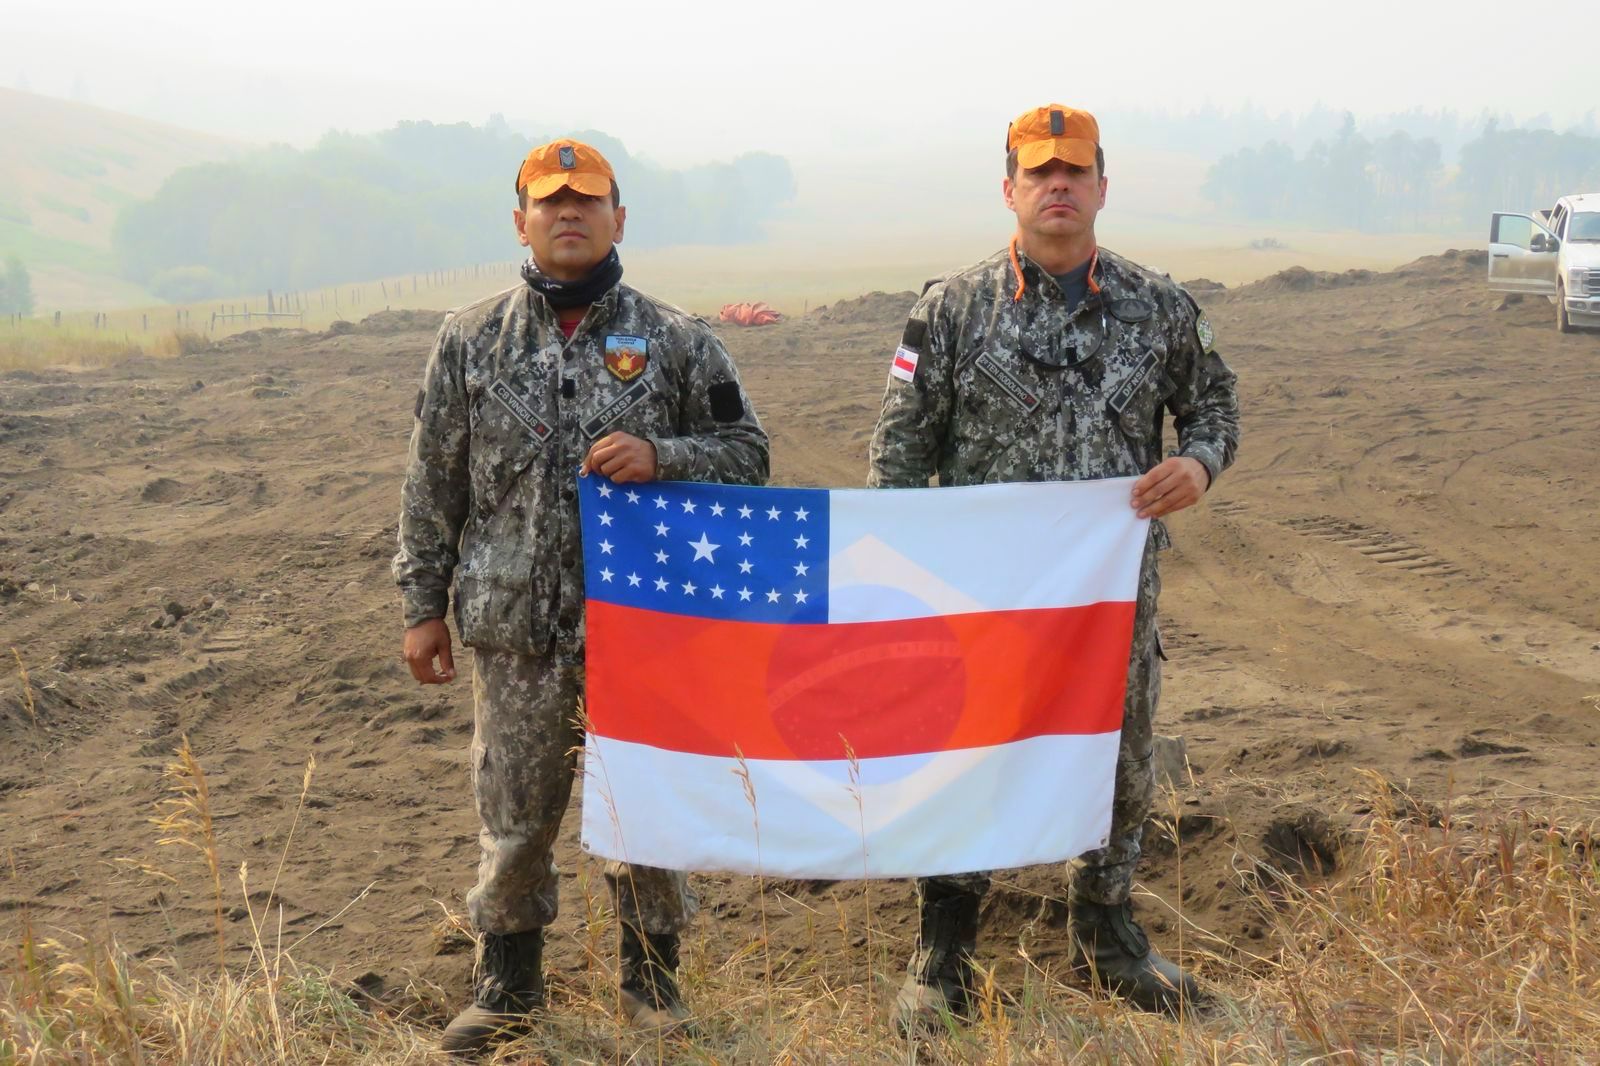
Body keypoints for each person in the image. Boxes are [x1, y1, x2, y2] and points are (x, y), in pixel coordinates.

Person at [393, 137, 770, 1055]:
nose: (569, 213)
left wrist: (663, 456)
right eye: (550, 201)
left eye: (588, 200)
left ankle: (653, 985)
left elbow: (749, 457)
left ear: (618, 219)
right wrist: (421, 604)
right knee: (515, 813)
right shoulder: (469, 339)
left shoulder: (678, 340)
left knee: (644, 808)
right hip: (515, 627)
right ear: (519, 221)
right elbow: (432, 481)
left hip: (642, 629)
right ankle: (508, 985)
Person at [867, 104, 1240, 1029]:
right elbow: (899, 455)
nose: (1058, 186)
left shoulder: (1160, 306)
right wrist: (907, 583)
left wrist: (1198, 463)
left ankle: (1107, 938)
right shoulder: (951, 310)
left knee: (1118, 754)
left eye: (1074, 171)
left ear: (1103, 188)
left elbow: (1216, 405)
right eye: (1039, 173)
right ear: (1010, 191)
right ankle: (944, 950)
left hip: (1108, 598)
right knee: (966, 755)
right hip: (981, 599)